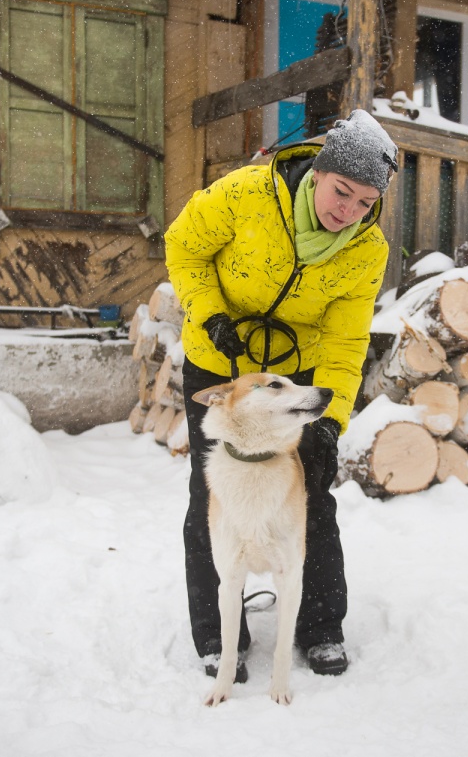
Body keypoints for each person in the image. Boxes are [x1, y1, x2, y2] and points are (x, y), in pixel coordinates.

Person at [164, 109, 398, 680]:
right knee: (211, 495)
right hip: (222, 362)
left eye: (364, 203)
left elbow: (345, 343)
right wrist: (209, 313)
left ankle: (320, 627)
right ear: (318, 172)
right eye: (342, 192)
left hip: (294, 382)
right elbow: (184, 246)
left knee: (312, 492)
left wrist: (331, 420)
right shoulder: (246, 194)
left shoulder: (364, 251)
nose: (348, 212)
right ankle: (219, 638)